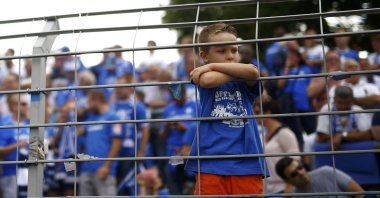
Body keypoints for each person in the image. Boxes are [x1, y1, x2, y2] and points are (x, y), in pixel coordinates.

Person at [185, 22, 267, 195]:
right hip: (211, 161)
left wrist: (212, 66)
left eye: (234, 50)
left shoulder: (240, 79)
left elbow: (253, 72)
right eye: (221, 51)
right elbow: (208, 80)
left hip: (247, 162)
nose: (230, 56)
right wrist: (221, 70)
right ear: (204, 55)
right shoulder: (206, 75)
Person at [110, 75, 150, 196]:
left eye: (122, 86)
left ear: (129, 88)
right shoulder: (112, 105)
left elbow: (145, 129)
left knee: (127, 184)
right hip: (113, 153)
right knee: (115, 184)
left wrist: (141, 151)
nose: (118, 89)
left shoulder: (137, 106)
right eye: (116, 86)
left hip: (129, 152)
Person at [78, 91, 122, 196]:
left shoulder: (113, 117)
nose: (88, 106)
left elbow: (117, 143)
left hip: (103, 169)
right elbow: (79, 131)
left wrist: (107, 166)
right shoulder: (90, 119)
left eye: (89, 102)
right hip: (86, 169)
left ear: (97, 100)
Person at [254, 100, 300, 194]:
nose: (254, 116)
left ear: (268, 113)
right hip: (266, 189)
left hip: (282, 188)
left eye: (257, 112)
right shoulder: (262, 135)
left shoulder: (285, 133)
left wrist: (289, 186)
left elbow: (295, 160)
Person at [275, 157, 364, 198]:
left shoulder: (326, 172)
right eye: (294, 174)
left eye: (300, 167)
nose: (301, 173)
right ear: (287, 181)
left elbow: (360, 193)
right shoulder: (294, 196)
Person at [316, 86, 372, 150]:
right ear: (334, 99)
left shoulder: (358, 110)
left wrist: (342, 136)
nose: (343, 107)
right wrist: (354, 135)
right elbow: (321, 137)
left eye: (347, 103)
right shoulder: (326, 109)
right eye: (340, 103)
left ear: (352, 100)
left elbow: (367, 135)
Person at [0, 94, 29, 198]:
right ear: (13, 106)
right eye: (24, 104)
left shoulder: (31, 124)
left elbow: (40, 151)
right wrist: (18, 145)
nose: (27, 106)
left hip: (30, 173)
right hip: (10, 173)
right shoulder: (5, 124)